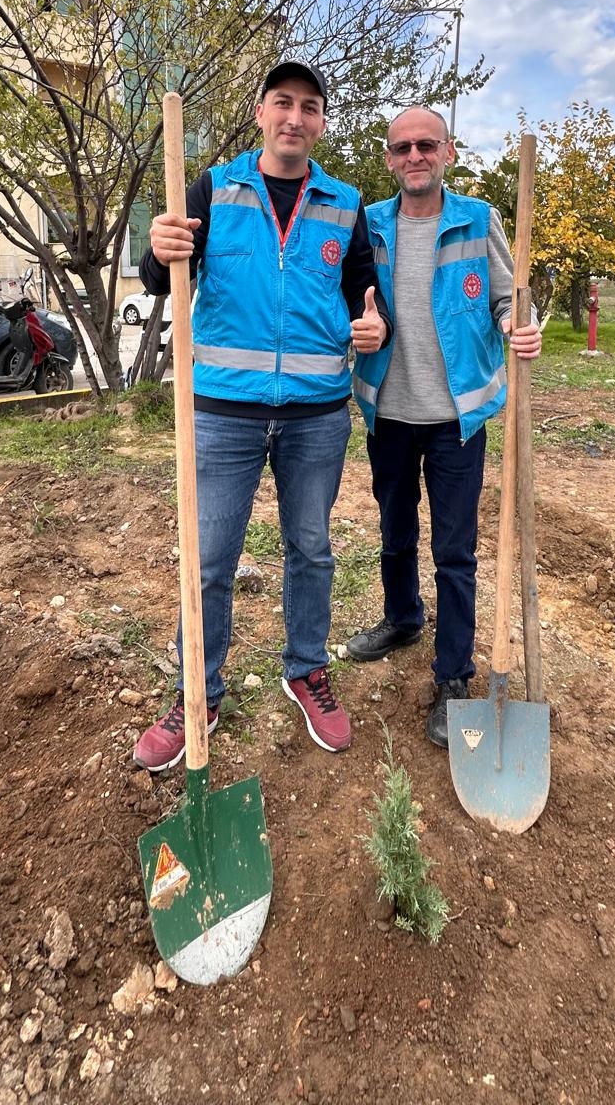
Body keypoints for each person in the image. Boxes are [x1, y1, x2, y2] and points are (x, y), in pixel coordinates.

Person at [131, 59, 391, 771]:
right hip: (223, 413)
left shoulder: (345, 203)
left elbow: (365, 295)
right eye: (284, 103)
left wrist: (374, 326)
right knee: (211, 561)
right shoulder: (215, 186)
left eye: (310, 107)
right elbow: (163, 275)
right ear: (260, 112)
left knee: (311, 549)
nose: (296, 118)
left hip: (316, 416)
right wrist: (159, 248)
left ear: (322, 122)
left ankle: (306, 669)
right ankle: (197, 693)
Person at [349, 106, 541, 747]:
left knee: (454, 552)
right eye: (401, 147)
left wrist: (518, 320)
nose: (414, 156)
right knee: (395, 532)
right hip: (390, 412)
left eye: (425, 145)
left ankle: (453, 674)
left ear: (448, 152)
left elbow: (508, 295)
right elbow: (349, 301)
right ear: (389, 159)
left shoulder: (478, 220)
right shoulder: (369, 226)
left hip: (458, 419)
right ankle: (403, 618)